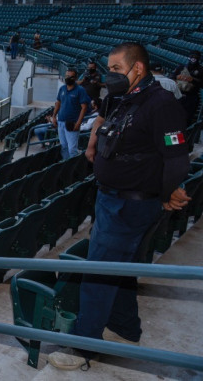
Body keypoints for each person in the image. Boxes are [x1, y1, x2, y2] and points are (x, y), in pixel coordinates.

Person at [48, 42, 190, 371]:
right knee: (120, 269)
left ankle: (82, 347)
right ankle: (126, 327)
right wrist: (95, 141)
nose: (109, 74)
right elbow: (107, 123)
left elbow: (177, 158)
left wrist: (169, 191)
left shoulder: (161, 104)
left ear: (137, 68)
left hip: (129, 205)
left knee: (97, 273)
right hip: (114, 200)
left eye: (115, 68)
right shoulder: (126, 97)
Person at [51, 68, 91, 159]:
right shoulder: (62, 88)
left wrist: (78, 123)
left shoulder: (80, 90)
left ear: (76, 78)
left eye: (71, 77)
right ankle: (66, 165)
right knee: (63, 147)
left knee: (72, 149)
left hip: (72, 123)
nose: (68, 78)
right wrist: (54, 116)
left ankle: (72, 169)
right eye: (67, 76)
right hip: (61, 121)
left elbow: (84, 108)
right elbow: (58, 103)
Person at [172, 49, 202, 125]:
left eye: (195, 57)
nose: (193, 58)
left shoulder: (201, 70)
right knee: (174, 117)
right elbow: (172, 77)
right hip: (179, 95)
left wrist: (192, 80)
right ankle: (174, 136)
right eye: (192, 56)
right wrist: (178, 78)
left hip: (192, 97)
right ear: (188, 57)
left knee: (186, 119)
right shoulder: (181, 67)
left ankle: (185, 135)